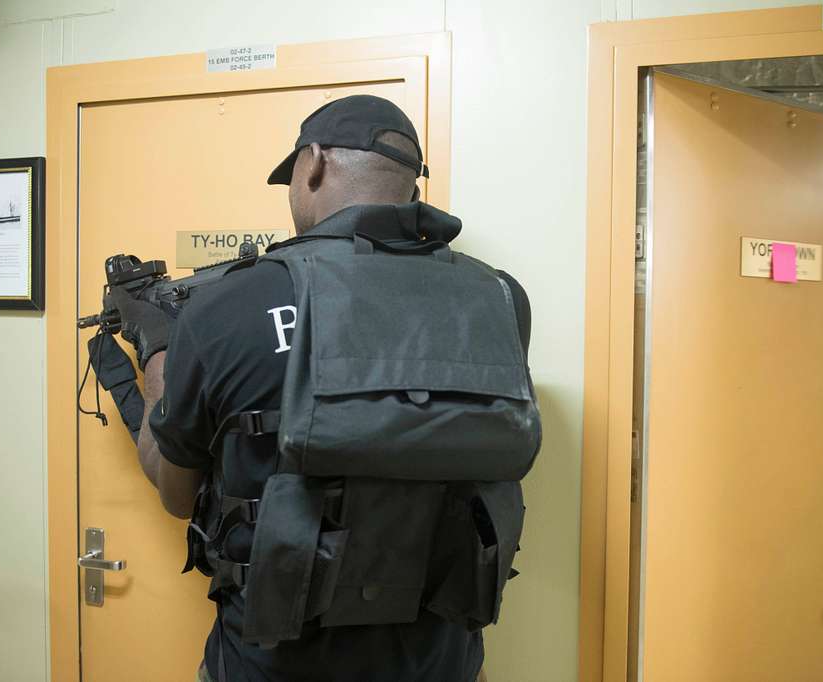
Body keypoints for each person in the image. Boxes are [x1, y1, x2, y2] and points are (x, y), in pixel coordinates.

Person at [115, 95, 531, 682]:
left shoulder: (228, 306)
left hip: (269, 667)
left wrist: (158, 347)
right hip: (445, 666)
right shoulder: (501, 299)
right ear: (412, 186)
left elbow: (175, 490)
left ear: (311, 164)